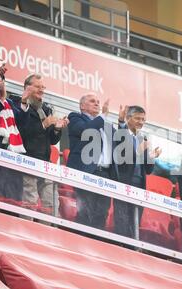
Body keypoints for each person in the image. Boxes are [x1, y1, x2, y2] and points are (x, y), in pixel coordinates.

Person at [14, 73, 67, 219]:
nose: (42, 90)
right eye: (38, 86)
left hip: (45, 163)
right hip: (27, 160)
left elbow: (51, 140)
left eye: (43, 87)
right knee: (29, 201)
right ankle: (25, 230)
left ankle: (49, 235)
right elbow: (21, 132)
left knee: (51, 204)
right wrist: (44, 124)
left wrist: (57, 128)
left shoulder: (46, 109)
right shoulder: (17, 104)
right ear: (27, 87)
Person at [67, 93, 119, 230]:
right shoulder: (76, 118)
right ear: (82, 106)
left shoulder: (105, 124)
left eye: (98, 101)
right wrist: (102, 116)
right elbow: (86, 131)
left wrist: (123, 123)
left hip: (106, 175)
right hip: (87, 171)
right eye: (92, 101)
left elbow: (120, 141)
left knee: (101, 214)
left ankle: (95, 247)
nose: (97, 103)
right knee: (85, 212)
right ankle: (78, 244)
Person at [113, 105, 161, 238]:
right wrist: (121, 121)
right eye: (138, 118)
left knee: (135, 222)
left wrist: (151, 157)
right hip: (124, 183)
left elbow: (149, 170)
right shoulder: (121, 133)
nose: (141, 122)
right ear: (128, 118)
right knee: (122, 220)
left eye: (143, 119)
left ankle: (132, 247)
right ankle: (121, 246)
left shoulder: (142, 139)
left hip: (139, 185)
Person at [0, 74, 26, 203]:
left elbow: (19, 120)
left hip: (11, 149)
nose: (0, 84)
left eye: (1, 81)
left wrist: (22, 103)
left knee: (11, 191)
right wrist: (1, 99)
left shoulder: (9, 102)